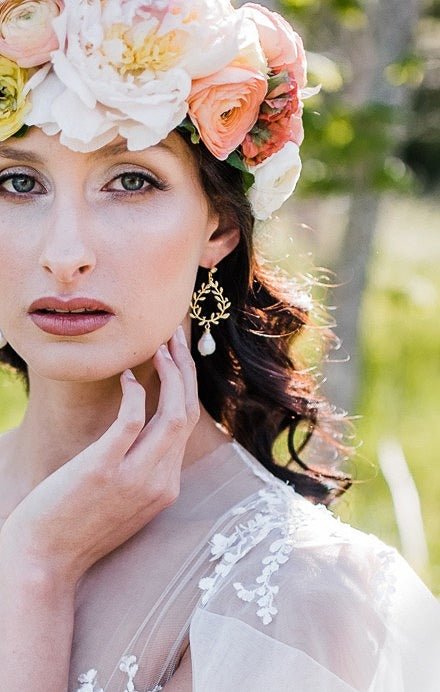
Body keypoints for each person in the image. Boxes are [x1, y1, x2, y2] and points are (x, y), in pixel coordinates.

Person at [0, 1, 439, 690]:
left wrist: (37, 570)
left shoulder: (297, 590)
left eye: (131, 181)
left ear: (219, 229)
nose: (64, 254)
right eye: (18, 182)